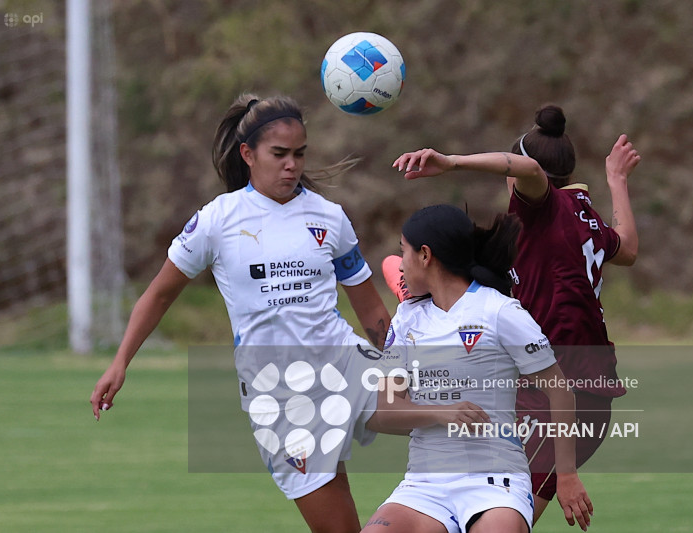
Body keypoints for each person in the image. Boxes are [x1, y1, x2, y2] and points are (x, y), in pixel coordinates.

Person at [90, 94, 391, 533]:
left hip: (346, 363)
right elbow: (158, 295)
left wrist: (405, 359)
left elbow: (370, 307)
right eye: (280, 154)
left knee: (451, 417)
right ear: (248, 154)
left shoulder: (329, 217)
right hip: (281, 397)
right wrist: (120, 361)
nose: (292, 165)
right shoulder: (217, 220)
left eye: (300, 154)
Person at [385, 105, 640, 526]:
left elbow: (529, 170)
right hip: (562, 386)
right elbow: (627, 248)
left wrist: (451, 162)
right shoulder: (584, 216)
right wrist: (617, 180)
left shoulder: (541, 208)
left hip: (564, 393)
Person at [362, 204, 593, 533]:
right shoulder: (407, 318)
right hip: (423, 486)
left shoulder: (500, 311)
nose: (400, 265)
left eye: (404, 252)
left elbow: (561, 392)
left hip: (496, 483)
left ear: (425, 255)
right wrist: (440, 413)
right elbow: (382, 411)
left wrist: (567, 475)